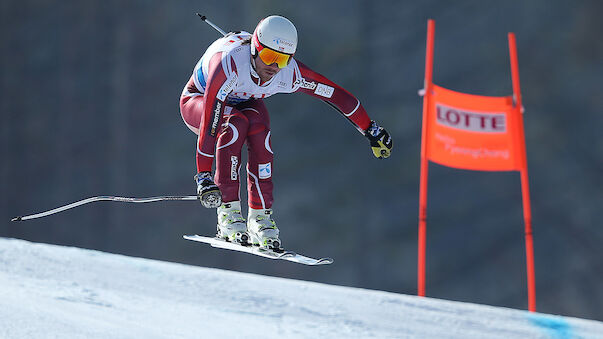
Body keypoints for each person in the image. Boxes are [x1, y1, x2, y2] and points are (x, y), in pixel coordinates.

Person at [179, 15, 392, 250]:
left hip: (242, 100)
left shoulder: (289, 72)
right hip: (198, 101)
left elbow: (335, 94)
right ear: (255, 49)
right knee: (235, 124)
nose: (273, 67)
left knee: (260, 128)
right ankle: (228, 213)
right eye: (269, 56)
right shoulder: (228, 65)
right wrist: (203, 176)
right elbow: (211, 123)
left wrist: (370, 128)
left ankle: (260, 216)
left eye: (282, 59)